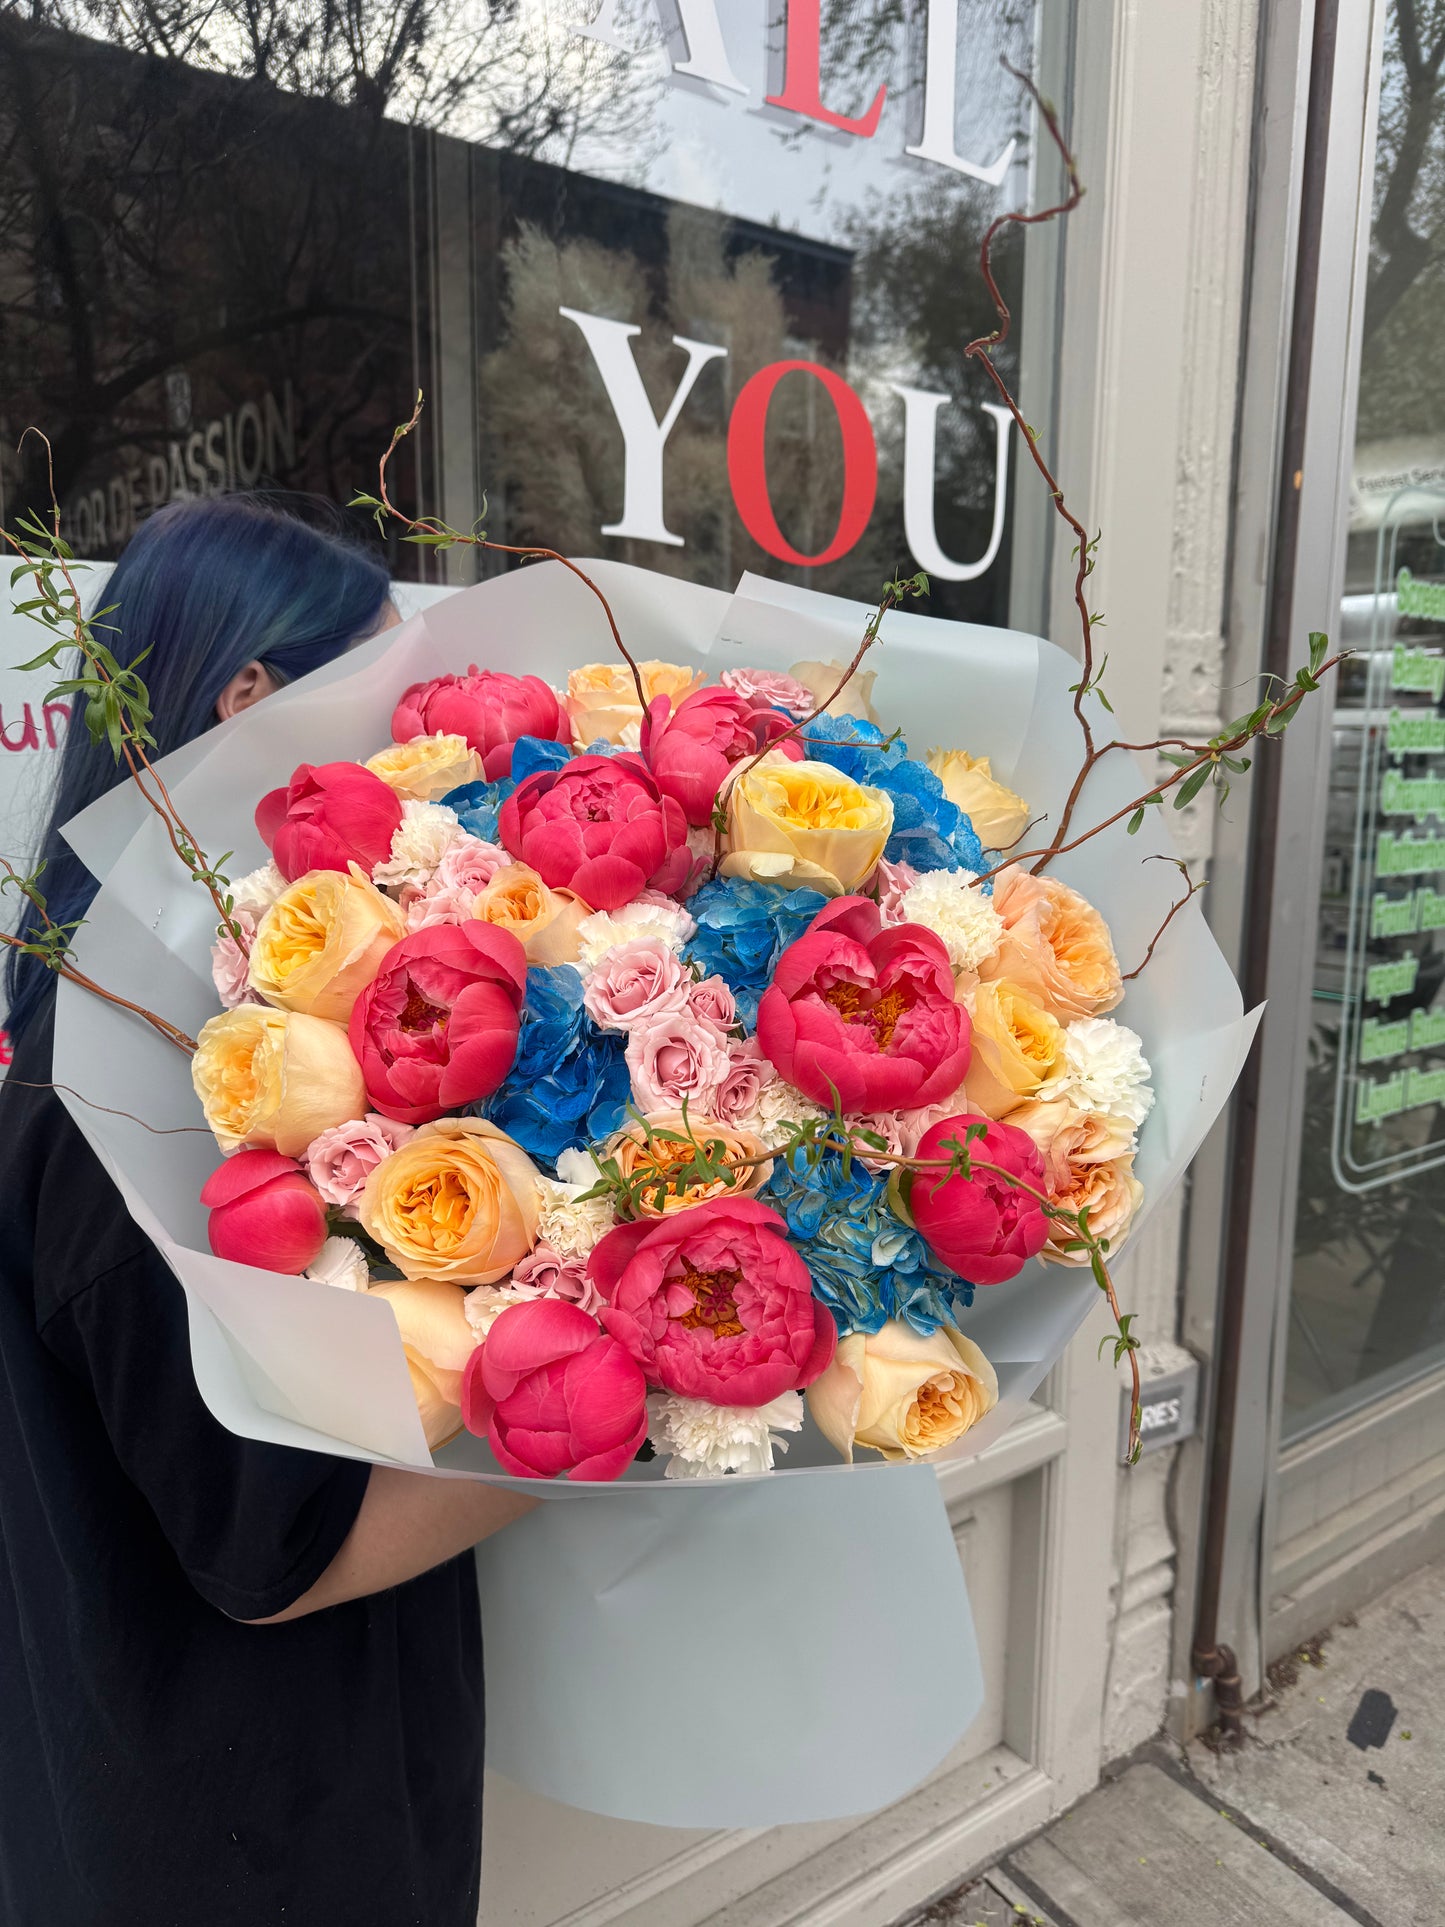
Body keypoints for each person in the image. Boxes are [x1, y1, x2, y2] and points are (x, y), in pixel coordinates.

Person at [0, 496, 530, 1927]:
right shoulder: (124, 1089)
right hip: (248, 1832)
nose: (412, 737)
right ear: (252, 703)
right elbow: (277, 1561)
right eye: (378, 687)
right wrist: (612, 1400)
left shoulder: (207, 1019)